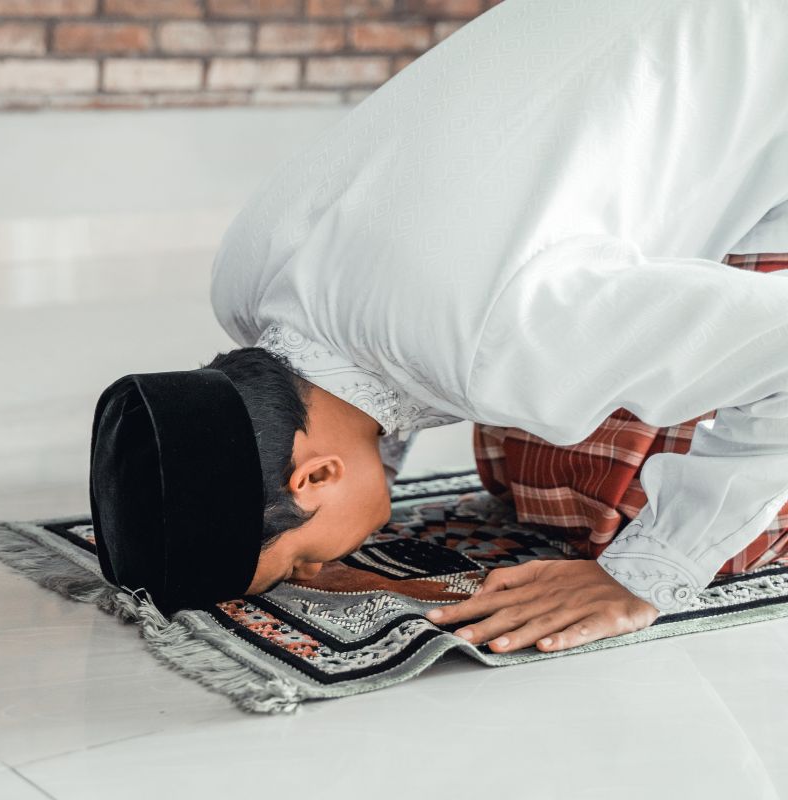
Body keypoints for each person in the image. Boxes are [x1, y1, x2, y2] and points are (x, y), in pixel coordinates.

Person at [88, 0, 788, 655]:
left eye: (303, 557)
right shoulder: (244, 277)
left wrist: (649, 573)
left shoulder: (504, 343)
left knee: (659, 508)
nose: (324, 567)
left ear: (317, 475)